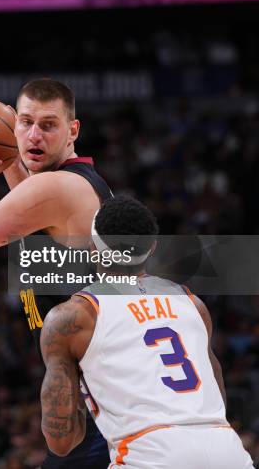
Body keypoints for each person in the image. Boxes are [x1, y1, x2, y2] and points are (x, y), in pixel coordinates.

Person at [0, 78, 112, 467]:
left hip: (101, 405)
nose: (34, 134)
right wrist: (13, 159)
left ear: (73, 130)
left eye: (48, 125)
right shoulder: (78, 184)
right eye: (25, 123)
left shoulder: (57, 190)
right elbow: (32, 215)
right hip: (101, 398)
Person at [40, 195, 255, 468]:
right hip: (226, 449)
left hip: (149, 453)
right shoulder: (193, 304)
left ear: (93, 248)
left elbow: (62, 442)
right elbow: (215, 397)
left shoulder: (74, 317)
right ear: (151, 248)